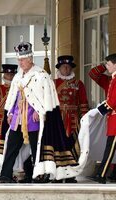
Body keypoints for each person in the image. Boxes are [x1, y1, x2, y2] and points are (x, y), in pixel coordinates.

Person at [0, 41, 85, 183]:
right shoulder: (18, 76)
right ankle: (6, 174)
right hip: (18, 116)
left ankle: (40, 174)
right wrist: (10, 113)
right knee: (11, 145)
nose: (20, 63)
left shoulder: (41, 75)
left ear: (30, 59)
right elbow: (13, 97)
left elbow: (47, 98)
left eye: (22, 60)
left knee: (37, 147)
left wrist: (40, 111)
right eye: (19, 60)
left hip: (34, 118)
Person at [54, 55, 89, 183]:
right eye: (64, 67)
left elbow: (84, 103)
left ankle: (70, 175)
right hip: (58, 120)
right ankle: (58, 175)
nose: (67, 69)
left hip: (73, 120)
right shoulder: (53, 83)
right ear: (60, 68)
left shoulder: (78, 84)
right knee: (58, 147)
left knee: (73, 148)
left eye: (69, 67)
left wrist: (84, 120)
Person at [88, 53, 116, 184]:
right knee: (109, 148)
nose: (107, 67)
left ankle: (102, 173)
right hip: (112, 119)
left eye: (109, 64)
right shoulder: (112, 79)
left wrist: (97, 111)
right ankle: (101, 173)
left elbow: (112, 101)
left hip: (115, 120)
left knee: (109, 149)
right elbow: (92, 73)